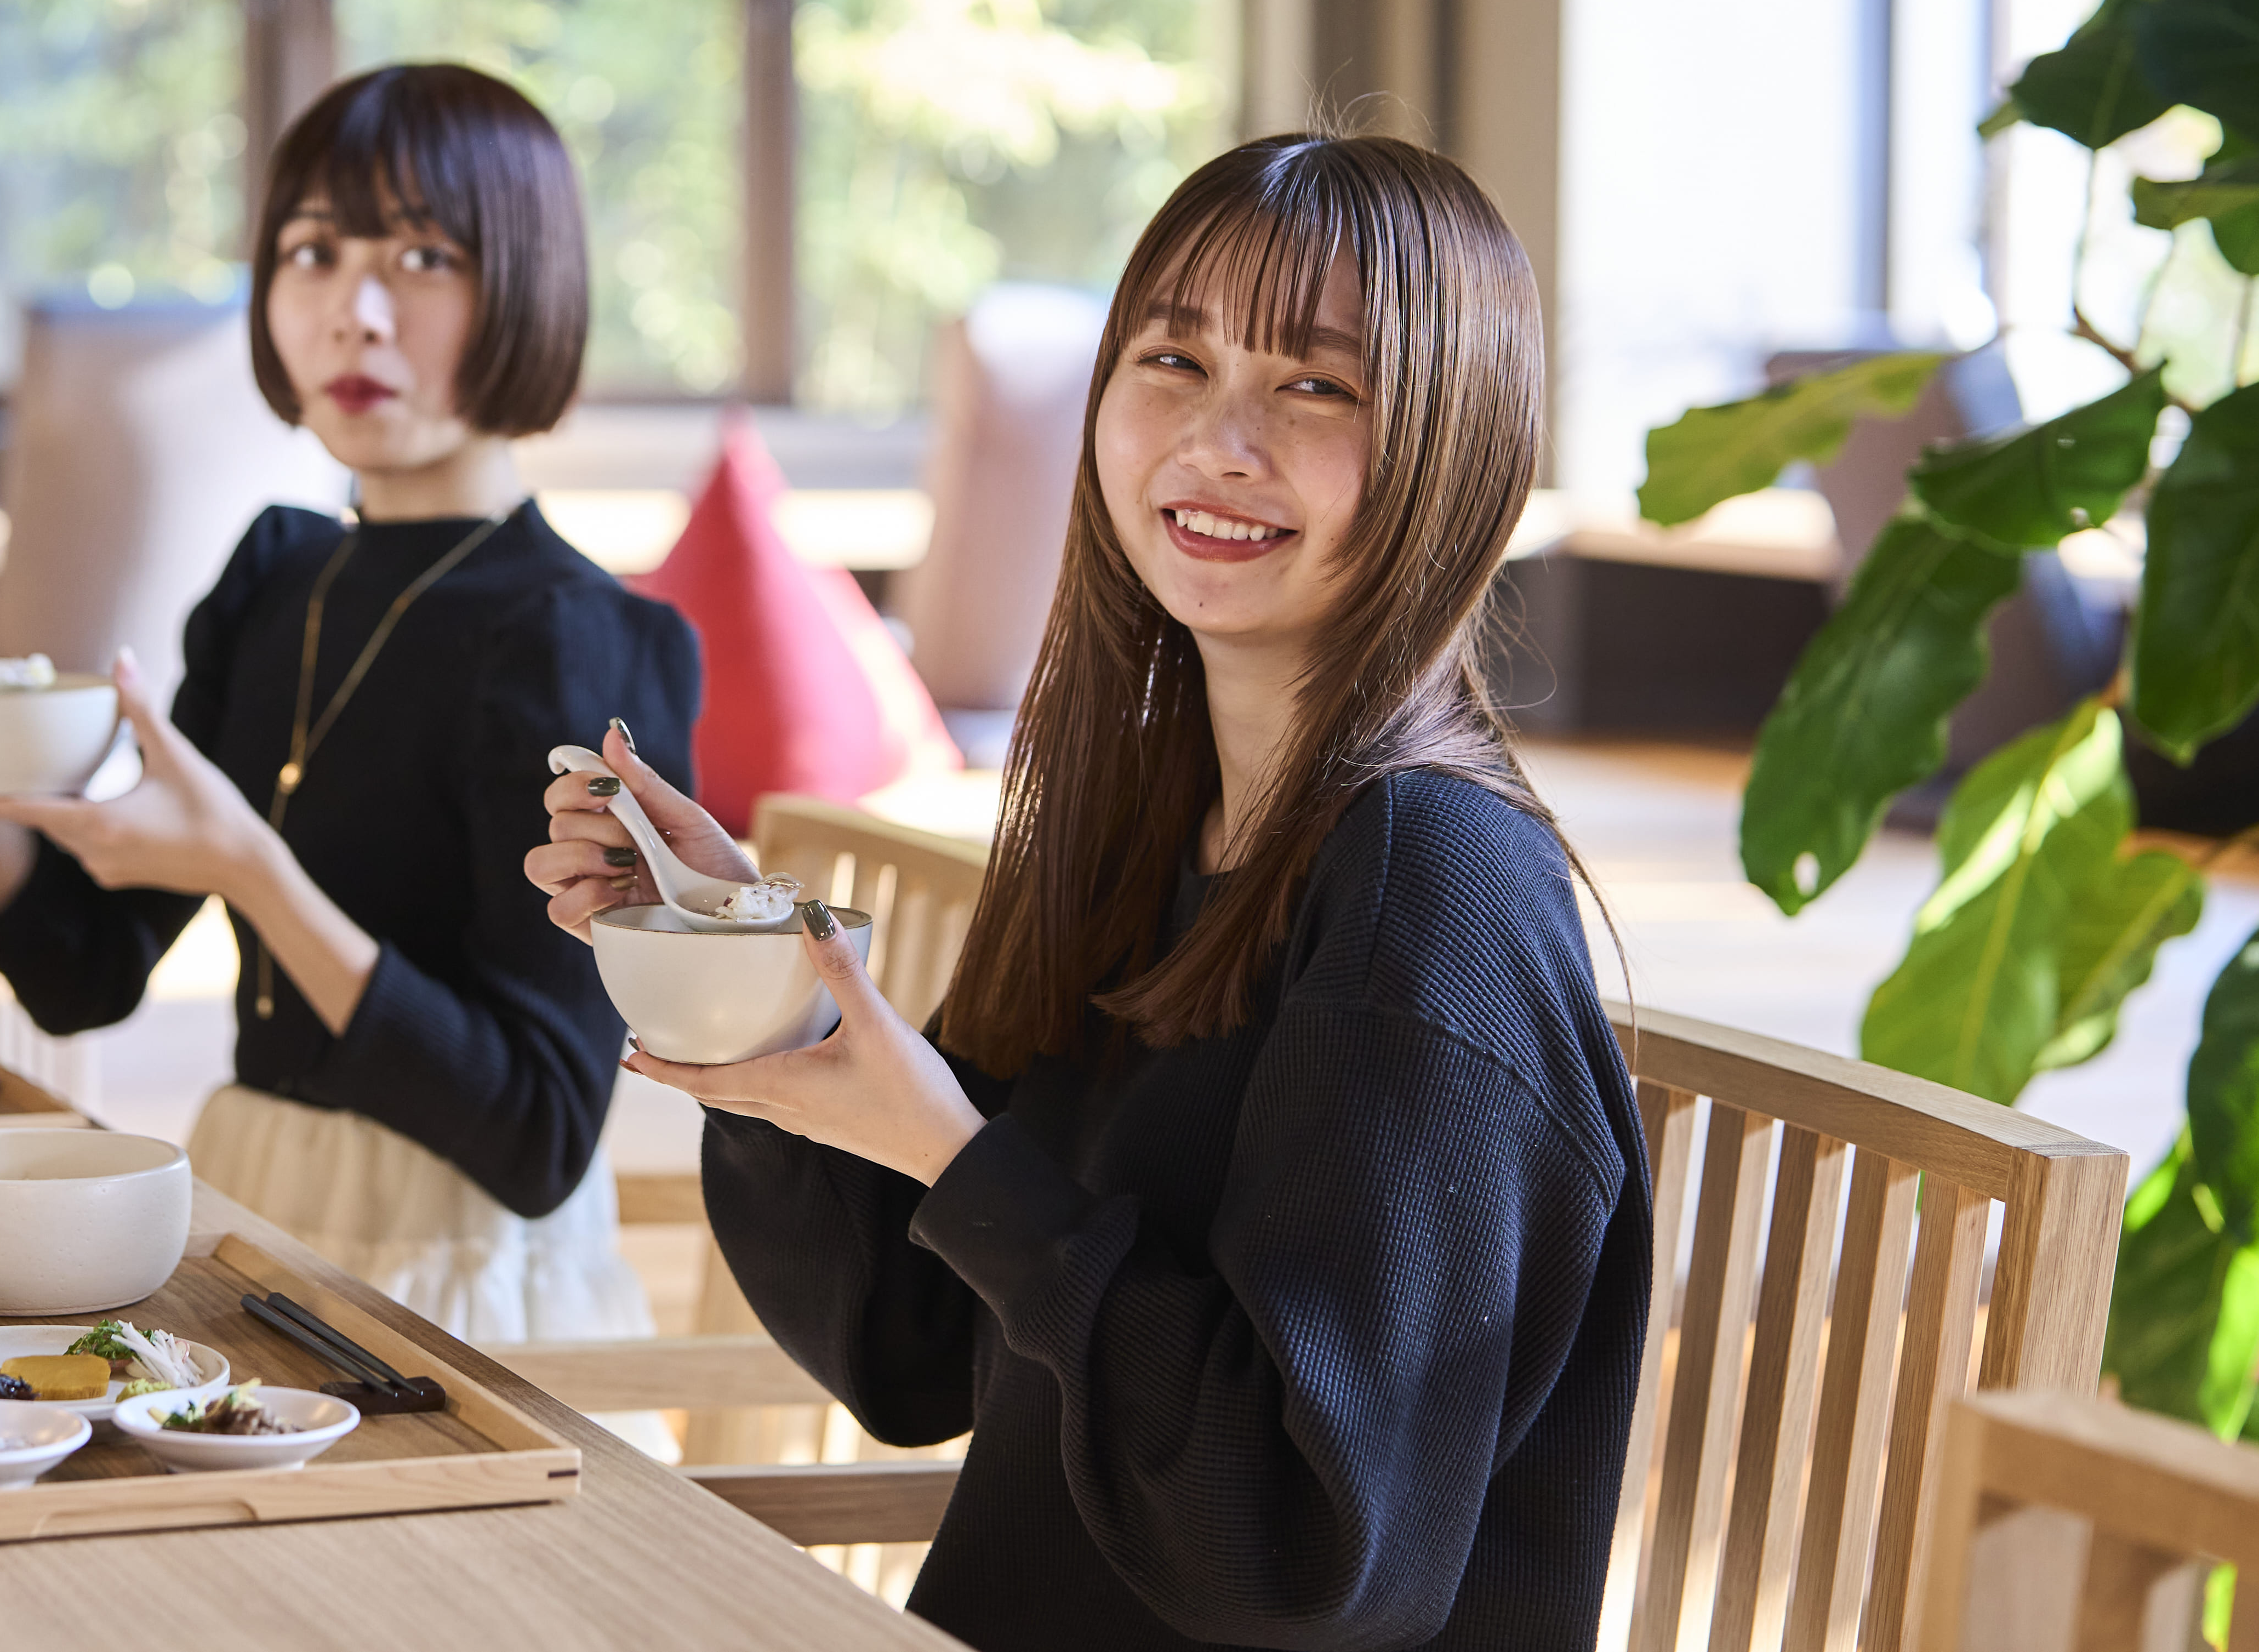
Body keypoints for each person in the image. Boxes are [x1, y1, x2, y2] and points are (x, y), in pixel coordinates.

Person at [528, 133, 1650, 1651]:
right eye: (1172, 361)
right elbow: (910, 1346)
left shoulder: (1428, 886)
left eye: (1315, 385)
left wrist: (958, 1154)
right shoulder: (1150, 821)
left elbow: (1300, 1552)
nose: (1218, 439)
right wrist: (754, 974)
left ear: (1456, 445)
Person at [0, 62, 698, 1343]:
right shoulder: (278, 576)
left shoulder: (580, 639)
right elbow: (77, 975)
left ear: (530, 286)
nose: (354, 312)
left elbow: (537, 1132)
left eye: (422, 257)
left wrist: (252, 873)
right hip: (251, 1227)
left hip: (463, 1292)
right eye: (313, 250)